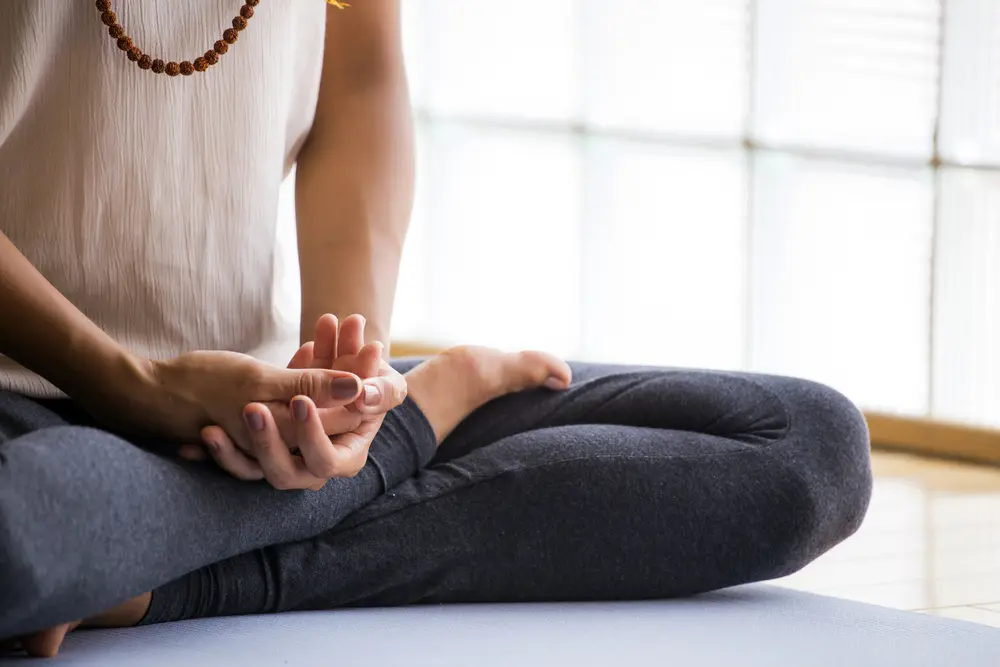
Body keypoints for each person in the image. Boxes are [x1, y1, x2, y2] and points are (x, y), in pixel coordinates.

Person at [0, 0, 873, 658]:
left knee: (806, 447)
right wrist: (135, 387)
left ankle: (156, 567)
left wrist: (350, 386)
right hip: (24, 397)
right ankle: (408, 435)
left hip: (253, 402)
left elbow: (362, 80)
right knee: (17, 529)